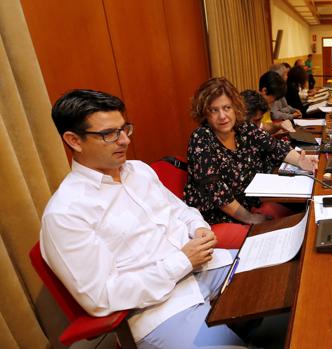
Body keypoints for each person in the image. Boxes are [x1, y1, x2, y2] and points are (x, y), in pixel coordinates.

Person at [40, 89, 245, 348]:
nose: (124, 140)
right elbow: (100, 297)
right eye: (110, 134)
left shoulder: (138, 170)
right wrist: (182, 261)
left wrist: (199, 228)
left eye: (125, 129)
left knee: (283, 280)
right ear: (74, 140)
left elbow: (182, 211)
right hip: (160, 308)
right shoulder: (66, 213)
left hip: (206, 268)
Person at [185, 78, 318, 248]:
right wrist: (250, 218)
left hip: (250, 205)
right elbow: (219, 196)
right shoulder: (201, 139)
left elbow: (275, 147)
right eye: (214, 110)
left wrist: (300, 161)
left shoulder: (242, 127)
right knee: (283, 239)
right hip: (217, 218)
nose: (222, 116)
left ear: (235, 107)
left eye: (227, 108)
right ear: (204, 113)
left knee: (302, 223)